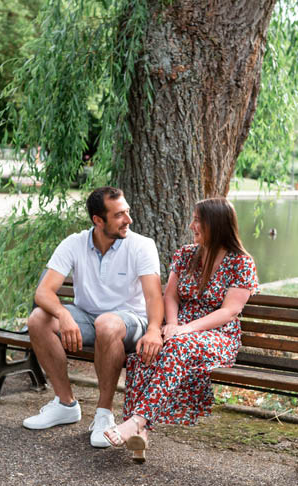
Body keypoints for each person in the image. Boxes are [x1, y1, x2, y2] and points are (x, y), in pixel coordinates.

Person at [104, 197, 259, 462]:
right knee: (145, 350)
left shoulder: (241, 262)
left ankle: (137, 420)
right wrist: (173, 324)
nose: (192, 225)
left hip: (217, 335)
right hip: (181, 331)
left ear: (216, 223)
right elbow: (171, 296)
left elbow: (229, 311)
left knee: (176, 345)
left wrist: (186, 329)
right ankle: (141, 435)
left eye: (198, 221)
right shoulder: (187, 254)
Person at [23, 186, 164, 448]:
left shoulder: (142, 246)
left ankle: (103, 415)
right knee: (37, 319)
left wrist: (155, 330)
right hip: (87, 317)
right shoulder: (74, 243)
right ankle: (66, 404)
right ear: (98, 220)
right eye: (119, 215)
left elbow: (154, 297)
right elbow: (43, 292)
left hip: (130, 322)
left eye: (127, 212)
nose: (128, 220)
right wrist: (63, 315)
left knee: (107, 323)